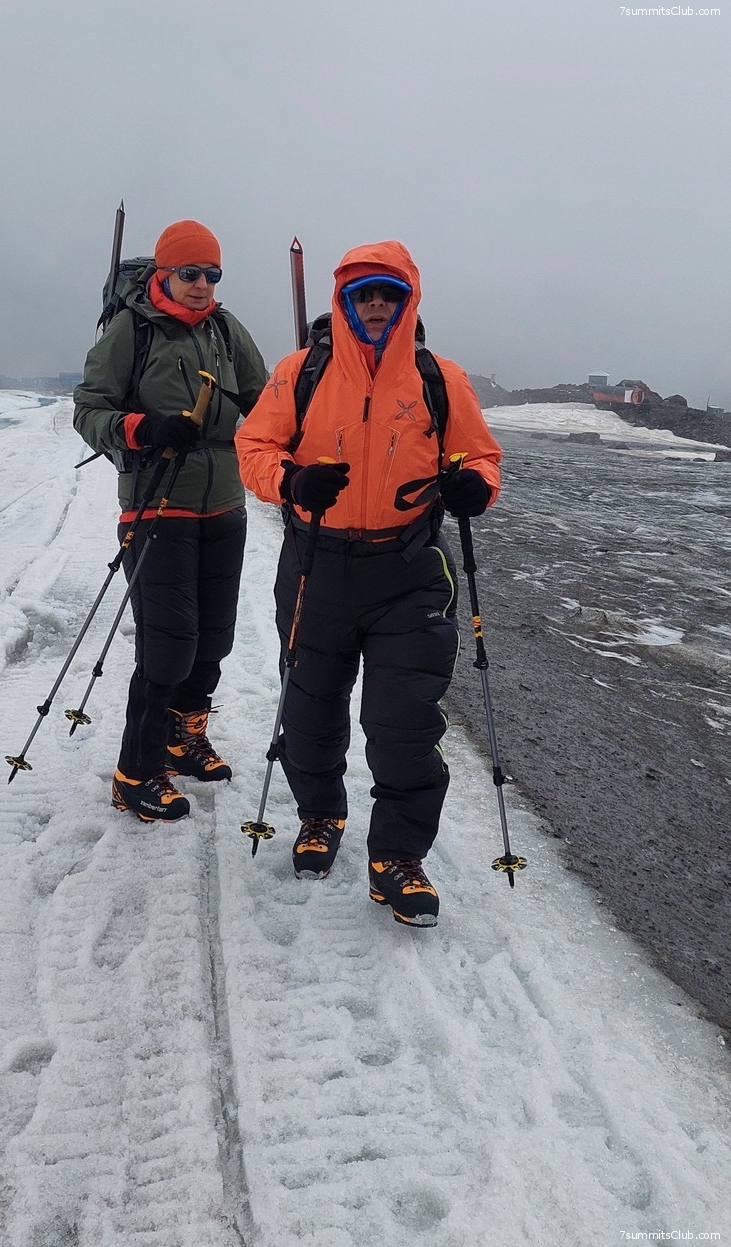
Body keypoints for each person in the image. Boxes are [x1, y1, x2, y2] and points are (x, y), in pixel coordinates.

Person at [234, 240, 502, 926]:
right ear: (345, 302)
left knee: (403, 721)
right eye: (364, 295)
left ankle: (398, 858)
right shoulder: (301, 371)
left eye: (388, 293)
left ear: (407, 301)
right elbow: (254, 447)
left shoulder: (439, 377)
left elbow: (478, 454)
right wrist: (291, 480)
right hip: (315, 568)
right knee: (309, 709)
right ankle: (320, 814)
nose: (376, 304)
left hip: (408, 570)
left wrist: (475, 485)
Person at [74, 219, 268, 824]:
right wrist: (143, 428)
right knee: (169, 646)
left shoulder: (226, 331)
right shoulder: (132, 331)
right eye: (190, 273)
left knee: (213, 639)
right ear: (164, 273)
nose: (202, 284)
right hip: (157, 505)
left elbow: (268, 402)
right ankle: (136, 771)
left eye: (212, 274)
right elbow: (89, 410)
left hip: (225, 504)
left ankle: (184, 739)